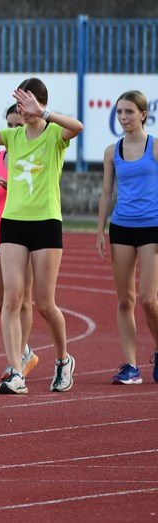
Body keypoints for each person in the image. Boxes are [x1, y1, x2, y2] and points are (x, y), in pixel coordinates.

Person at [0, 78, 83, 395]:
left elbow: (77, 127)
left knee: (45, 303)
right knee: (11, 299)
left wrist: (44, 113)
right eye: (19, 104)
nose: (24, 110)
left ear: (40, 103)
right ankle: (16, 370)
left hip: (46, 223)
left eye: (28, 103)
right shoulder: (12, 136)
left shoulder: (55, 134)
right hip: (12, 223)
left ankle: (63, 359)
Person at [96, 90, 158, 385]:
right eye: (119, 112)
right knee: (125, 300)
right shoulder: (112, 151)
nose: (123, 117)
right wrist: (100, 230)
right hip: (121, 228)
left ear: (143, 114)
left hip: (152, 227)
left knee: (148, 299)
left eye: (129, 112)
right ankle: (131, 366)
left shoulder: (155, 147)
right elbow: (107, 193)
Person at [0, 104, 37, 386]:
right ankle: (23, 351)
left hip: (23, 230)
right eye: (10, 125)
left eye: (19, 125)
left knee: (22, 298)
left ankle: (20, 357)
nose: (14, 130)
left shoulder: (34, 157)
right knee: (1, 300)